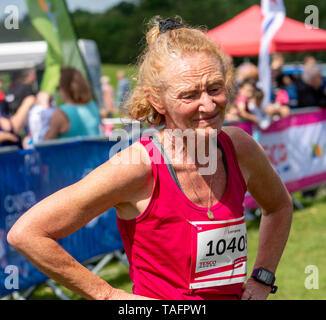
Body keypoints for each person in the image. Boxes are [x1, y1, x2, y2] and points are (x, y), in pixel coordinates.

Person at [8, 17, 293, 300]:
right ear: (157, 100)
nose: (208, 104)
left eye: (215, 88)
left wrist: (262, 278)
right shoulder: (137, 167)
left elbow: (279, 205)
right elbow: (28, 233)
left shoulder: (239, 147)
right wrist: (108, 294)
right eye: (189, 95)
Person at [44, 67, 101, 140]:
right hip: (94, 151)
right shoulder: (93, 106)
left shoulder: (61, 113)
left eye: (58, 87)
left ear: (64, 88)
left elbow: (46, 144)